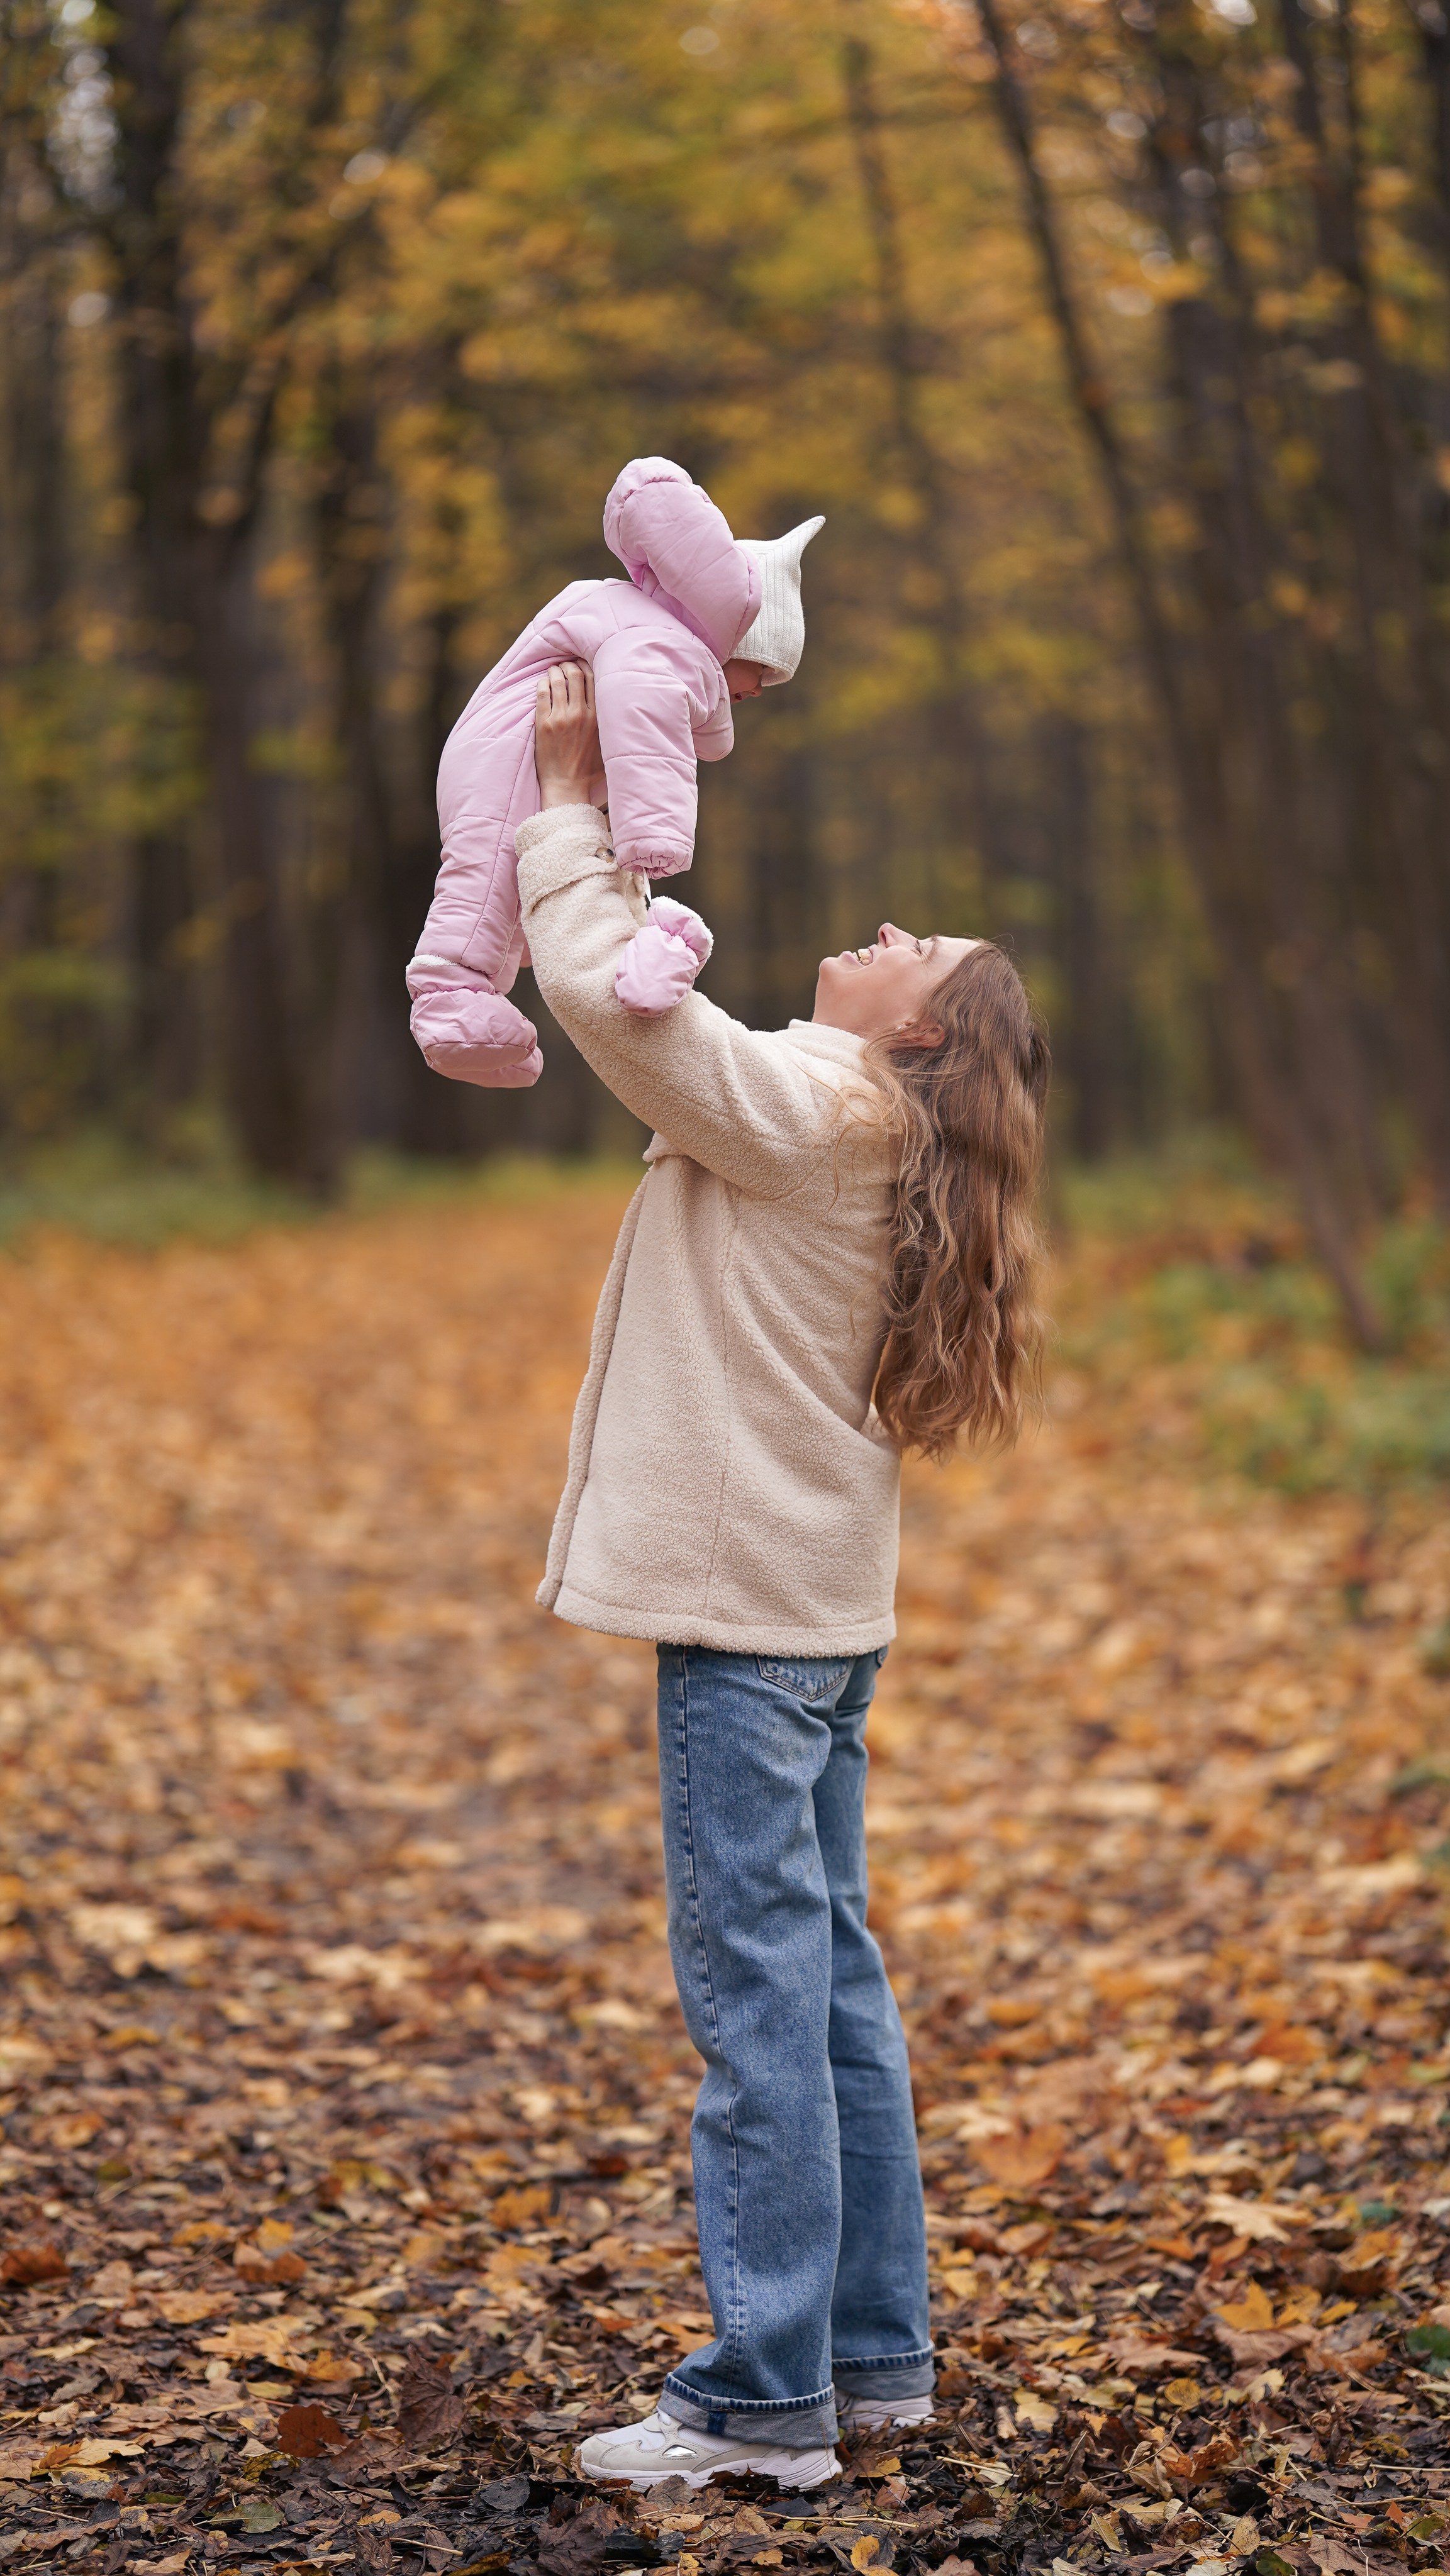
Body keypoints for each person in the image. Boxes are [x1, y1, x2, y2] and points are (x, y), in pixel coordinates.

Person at [515, 663, 1049, 2493]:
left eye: (926, 946)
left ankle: (762, 2404)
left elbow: (628, 1020)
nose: (889, 928)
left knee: (759, 2011)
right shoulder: (870, 1123)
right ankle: (877, 2353)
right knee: (828, 1987)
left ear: (921, 1035)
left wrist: (568, 808)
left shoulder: (827, 1106)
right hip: (822, 1618)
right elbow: (688, 1028)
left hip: (754, 1630)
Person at [406, 455, 823, 1087]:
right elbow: (643, 714)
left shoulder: (645, 627)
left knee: (526, 890)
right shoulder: (655, 643)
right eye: (762, 671)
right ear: (734, 638)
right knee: (483, 879)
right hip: (510, 753)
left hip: (520, 753)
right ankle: (449, 1002)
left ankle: (610, 971)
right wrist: (654, 835)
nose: (762, 690)